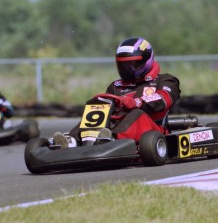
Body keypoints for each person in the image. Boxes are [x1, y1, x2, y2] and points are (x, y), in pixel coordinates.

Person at [53, 37, 181, 148]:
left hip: (152, 130)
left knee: (136, 113)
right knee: (96, 110)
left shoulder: (165, 80)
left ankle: (111, 140)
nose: (127, 69)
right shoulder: (116, 86)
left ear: (146, 60)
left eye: (133, 64)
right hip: (115, 126)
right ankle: (73, 140)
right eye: (124, 65)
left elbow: (163, 99)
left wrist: (137, 102)